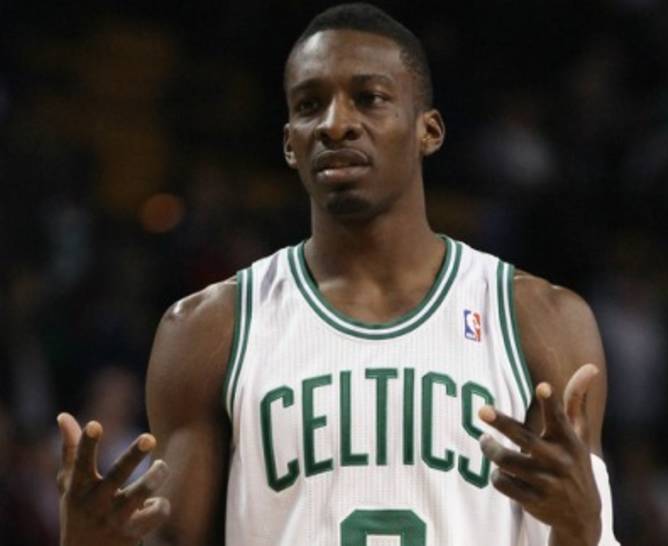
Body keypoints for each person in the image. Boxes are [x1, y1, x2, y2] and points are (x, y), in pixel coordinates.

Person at [56, 4, 619, 545]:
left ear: (429, 131)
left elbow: (580, 536)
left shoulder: (540, 321)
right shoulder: (209, 328)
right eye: (309, 105)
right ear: (289, 144)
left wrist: (581, 529)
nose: (335, 124)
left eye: (369, 99)